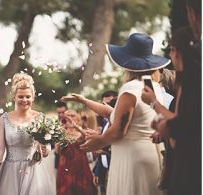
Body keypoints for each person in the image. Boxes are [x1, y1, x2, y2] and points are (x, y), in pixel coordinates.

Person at [61, 33, 170, 195]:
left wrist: (98, 141)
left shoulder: (130, 88)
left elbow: (120, 128)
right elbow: (119, 115)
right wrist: (85, 101)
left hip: (132, 159)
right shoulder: (152, 86)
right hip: (150, 155)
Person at [151, 25, 201, 195]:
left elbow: (179, 131)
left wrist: (156, 108)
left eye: (172, 49)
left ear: (179, 52)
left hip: (188, 165)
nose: (170, 55)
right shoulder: (187, 83)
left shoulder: (190, 85)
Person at [0, 73, 55, 195]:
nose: (24, 100)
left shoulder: (40, 118)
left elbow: (46, 149)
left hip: (34, 171)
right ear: (14, 97)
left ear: (33, 97)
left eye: (28, 96)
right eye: (21, 97)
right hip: (10, 172)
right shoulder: (3, 119)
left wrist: (44, 148)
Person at [56, 109, 97, 195]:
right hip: (65, 165)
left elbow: (87, 137)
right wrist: (60, 134)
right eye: (67, 116)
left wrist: (76, 127)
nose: (69, 118)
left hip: (80, 165)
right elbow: (57, 150)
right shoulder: (61, 132)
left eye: (72, 115)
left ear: (78, 118)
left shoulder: (82, 130)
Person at [93, 91, 117, 195]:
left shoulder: (116, 124)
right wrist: (98, 171)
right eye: (103, 104)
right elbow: (101, 150)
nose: (105, 107)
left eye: (110, 104)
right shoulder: (104, 123)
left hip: (115, 169)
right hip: (103, 170)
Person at [54, 101, 68, 172]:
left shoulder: (72, 122)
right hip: (58, 154)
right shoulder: (55, 123)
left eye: (63, 112)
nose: (61, 115)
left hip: (69, 155)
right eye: (59, 113)